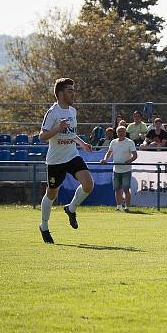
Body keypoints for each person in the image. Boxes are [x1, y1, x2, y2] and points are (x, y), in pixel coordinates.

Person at [38, 78, 94, 244]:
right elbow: (42, 136)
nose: (73, 93)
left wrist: (82, 143)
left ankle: (71, 208)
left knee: (88, 184)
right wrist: (57, 128)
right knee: (51, 194)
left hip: (72, 155)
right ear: (60, 93)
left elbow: (69, 133)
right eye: (70, 90)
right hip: (55, 161)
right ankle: (44, 226)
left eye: (73, 90)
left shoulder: (72, 111)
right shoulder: (52, 112)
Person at [100, 125, 137, 212]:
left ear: (125, 133)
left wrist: (129, 160)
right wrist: (105, 160)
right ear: (116, 133)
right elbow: (109, 153)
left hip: (126, 170)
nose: (121, 133)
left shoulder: (130, 142)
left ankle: (127, 207)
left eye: (123, 132)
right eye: (119, 132)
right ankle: (119, 206)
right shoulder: (113, 142)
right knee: (117, 189)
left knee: (126, 189)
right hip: (116, 170)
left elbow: (135, 155)